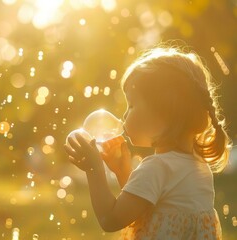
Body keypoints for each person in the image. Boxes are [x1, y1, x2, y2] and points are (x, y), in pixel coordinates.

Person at [64, 45, 231, 239]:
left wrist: (94, 170)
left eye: (132, 104)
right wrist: (123, 170)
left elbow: (111, 219)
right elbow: (146, 207)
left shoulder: (157, 167)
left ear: (165, 112)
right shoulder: (196, 165)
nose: (125, 114)